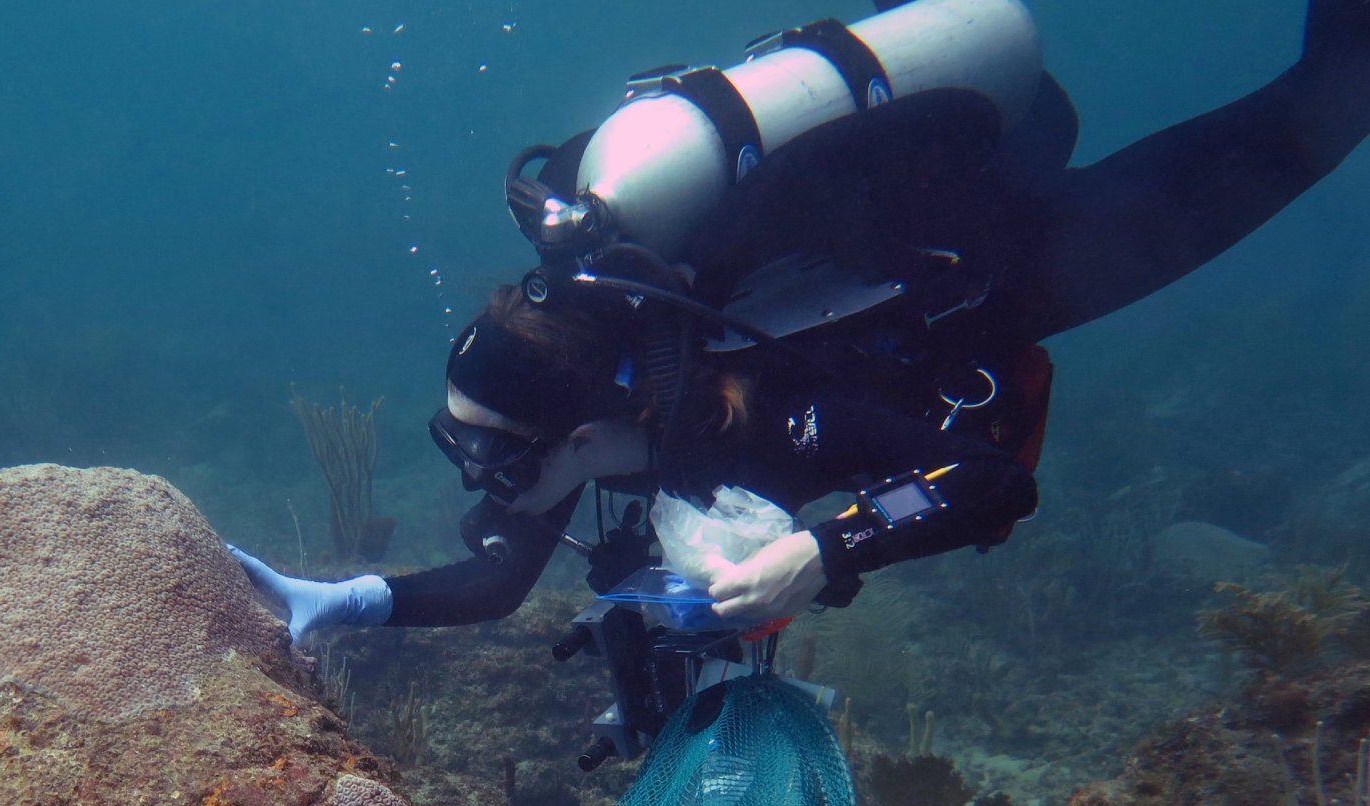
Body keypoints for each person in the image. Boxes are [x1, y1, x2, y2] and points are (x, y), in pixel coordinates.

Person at [235, 0, 1370, 643]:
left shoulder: (782, 401)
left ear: (582, 438)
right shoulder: (595, 390)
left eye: (495, 465)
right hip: (902, 207)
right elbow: (493, 582)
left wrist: (823, 550)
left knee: (1317, 111)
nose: (487, 492)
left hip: (1018, 257)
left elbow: (988, 480)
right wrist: (337, 600)